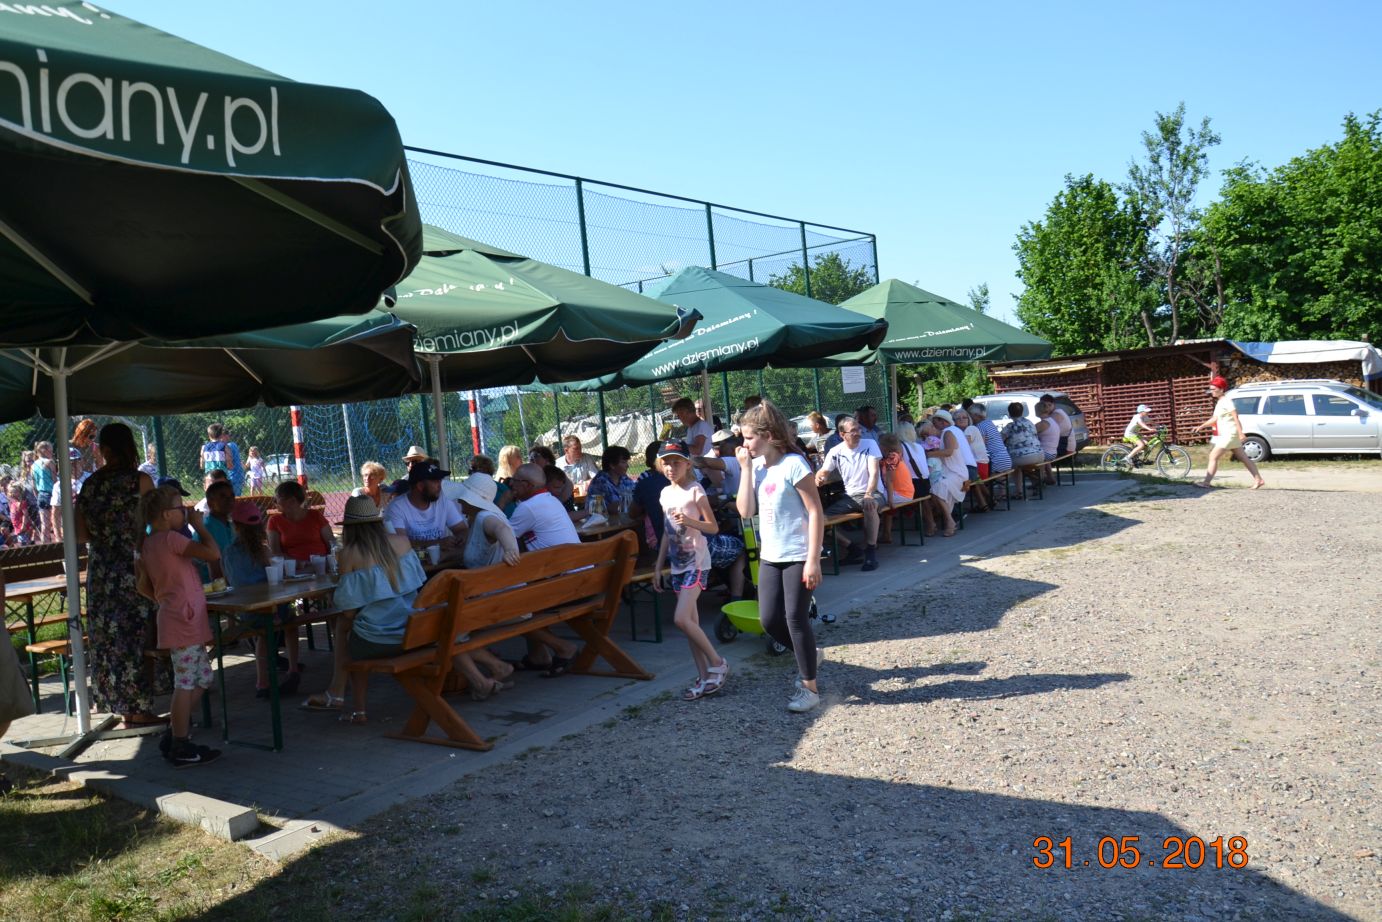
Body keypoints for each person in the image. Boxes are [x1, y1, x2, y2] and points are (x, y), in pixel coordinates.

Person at [300, 495, 429, 724]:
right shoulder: (402, 542)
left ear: (349, 527)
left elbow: (349, 612)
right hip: (414, 631)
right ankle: (344, 700)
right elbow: (419, 583)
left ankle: (342, 697)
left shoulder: (349, 554)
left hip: (379, 640)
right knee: (352, 628)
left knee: (347, 627)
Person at [736, 401, 824, 713]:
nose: (744, 443)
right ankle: (809, 653)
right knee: (769, 620)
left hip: (798, 553)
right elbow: (745, 512)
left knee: (795, 619)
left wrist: (813, 560)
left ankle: (809, 688)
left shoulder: (794, 465)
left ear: (768, 435)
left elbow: (816, 512)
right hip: (770, 555)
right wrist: (746, 470)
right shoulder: (758, 468)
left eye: (748, 437)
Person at [74, 423, 159, 728]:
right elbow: (156, 522)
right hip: (134, 564)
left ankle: (124, 708)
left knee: (110, 639)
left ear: (104, 449)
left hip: (101, 570)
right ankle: (140, 709)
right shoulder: (140, 480)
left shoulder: (90, 484)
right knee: (140, 635)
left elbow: (80, 534)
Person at [136, 485, 221, 767]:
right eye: (180, 507)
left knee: (203, 677)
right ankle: (180, 744)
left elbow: (142, 585)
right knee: (185, 683)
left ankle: (175, 731)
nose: (185, 511)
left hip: (182, 617)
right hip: (182, 621)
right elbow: (213, 553)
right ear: (166, 514)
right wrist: (200, 526)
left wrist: (164, 600)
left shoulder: (149, 544)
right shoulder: (171, 539)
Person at [653, 440, 729, 701]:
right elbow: (667, 532)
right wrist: (658, 567)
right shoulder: (665, 494)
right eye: (666, 463)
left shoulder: (695, 490)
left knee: (681, 619)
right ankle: (703, 676)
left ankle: (717, 662)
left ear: (687, 464)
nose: (671, 467)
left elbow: (713, 527)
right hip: (677, 565)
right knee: (690, 624)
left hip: (696, 562)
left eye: (676, 462)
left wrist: (689, 521)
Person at [505, 463, 582, 675]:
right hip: (581, 580)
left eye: (515, 481)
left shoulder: (528, 508)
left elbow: (500, 538)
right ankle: (538, 655)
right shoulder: (550, 500)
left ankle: (563, 647)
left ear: (527, 485)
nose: (511, 485)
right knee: (525, 592)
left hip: (564, 585)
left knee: (507, 607)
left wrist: (502, 502)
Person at [220, 500, 295, 698]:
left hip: (242, 611)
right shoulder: (263, 551)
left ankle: (263, 680)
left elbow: (227, 580)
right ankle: (291, 669)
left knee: (263, 630)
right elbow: (277, 577)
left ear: (236, 526)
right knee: (289, 619)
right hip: (269, 610)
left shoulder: (227, 552)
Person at [814, 416, 883, 571]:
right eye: (853, 431)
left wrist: (868, 494)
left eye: (858, 429)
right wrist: (820, 477)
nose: (858, 433)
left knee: (870, 506)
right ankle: (852, 548)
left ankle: (871, 553)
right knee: (818, 520)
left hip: (874, 492)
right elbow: (823, 471)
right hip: (850, 497)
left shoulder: (870, 444)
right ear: (842, 434)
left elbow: (874, 473)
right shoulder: (835, 451)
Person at [381, 461, 466, 565]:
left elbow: (462, 529)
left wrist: (460, 539)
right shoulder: (396, 508)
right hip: (414, 567)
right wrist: (439, 543)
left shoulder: (442, 500)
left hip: (444, 563)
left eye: (440, 480)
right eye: (435, 481)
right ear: (420, 486)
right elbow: (400, 545)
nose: (440, 486)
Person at [1194, 376, 1266, 489]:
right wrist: (1201, 426)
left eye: (1213, 389)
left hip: (1229, 435)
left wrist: (1241, 433)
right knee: (1244, 458)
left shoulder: (1227, 401)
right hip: (1229, 435)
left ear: (1221, 389)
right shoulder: (1220, 402)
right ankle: (1259, 480)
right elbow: (1215, 419)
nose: (1211, 392)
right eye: (1210, 389)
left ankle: (1206, 483)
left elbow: (1235, 416)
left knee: (1213, 456)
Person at [926, 410, 968, 537]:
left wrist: (928, 454)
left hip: (957, 473)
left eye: (934, 423)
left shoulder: (948, 432)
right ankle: (945, 519)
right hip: (951, 472)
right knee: (932, 489)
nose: (933, 426)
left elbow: (949, 452)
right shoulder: (949, 432)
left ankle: (949, 521)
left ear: (942, 422)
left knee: (938, 487)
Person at [631, 441, 671, 557]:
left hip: (662, 545)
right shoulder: (684, 479)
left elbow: (632, 513)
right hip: (672, 546)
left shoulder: (645, 482)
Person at [672, 397, 722, 489]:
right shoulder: (692, 427)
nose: (679, 418)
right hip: (700, 469)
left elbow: (698, 450)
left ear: (685, 412)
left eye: (679, 415)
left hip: (707, 472)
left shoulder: (700, 426)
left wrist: (678, 444)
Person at [876, 433, 914, 543]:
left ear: (883, 446)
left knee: (870, 501)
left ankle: (870, 539)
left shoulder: (892, 457)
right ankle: (886, 534)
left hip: (900, 493)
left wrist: (890, 500)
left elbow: (889, 480)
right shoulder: (896, 456)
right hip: (904, 492)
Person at [969, 404, 1012, 499]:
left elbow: (981, 445)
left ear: (976, 415)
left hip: (996, 462)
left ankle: (987, 498)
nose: (969, 417)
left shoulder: (979, 427)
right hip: (1006, 459)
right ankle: (1002, 494)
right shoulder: (989, 422)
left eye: (970, 414)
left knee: (976, 477)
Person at [1003, 401, 1045, 495]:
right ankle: (1035, 483)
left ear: (1009, 413)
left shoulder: (1010, 426)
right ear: (1022, 412)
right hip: (1039, 454)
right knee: (1025, 464)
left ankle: (1019, 491)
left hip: (1023, 456)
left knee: (1014, 465)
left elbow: (1000, 440)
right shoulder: (1030, 423)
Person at [954, 409, 991, 512]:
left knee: (968, 477)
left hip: (979, 466)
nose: (961, 419)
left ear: (968, 419)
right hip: (980, 465)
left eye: (964, 417)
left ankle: (983, 503)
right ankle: (988, 500)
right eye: (958, 418)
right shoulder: (967, 430)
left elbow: (963, 446)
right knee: (972, 477)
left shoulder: (970, 429)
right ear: (954, 421)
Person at [586, 446, 635, 514]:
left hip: (624, 518)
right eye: (623, 462)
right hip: (604, 520)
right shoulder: (600, 483)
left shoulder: (625, 479)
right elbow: (603, 509)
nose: (627, 466)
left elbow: (637, 497)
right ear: (612, 465)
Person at [32, 441, 56, 543]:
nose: (52, 453)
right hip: (52, 493)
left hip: (41, 495)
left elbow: (34, 484)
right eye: (51, 450)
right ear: (45, 450)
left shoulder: (34, 465)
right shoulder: (49, 462)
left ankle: (45, 546)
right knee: (57, 522)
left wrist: (37, 496)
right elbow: (55, 480)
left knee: (45, 524)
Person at [1034, 402, 1060, 485]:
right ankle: (1050, 477)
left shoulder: (1042, 424)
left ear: (1037, 411)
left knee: (1025, 459)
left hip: (1045, 453)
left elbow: (1028, 434)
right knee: (1044, 457)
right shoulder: (1052, 421)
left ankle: (1038, 481)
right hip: (1053, 452)